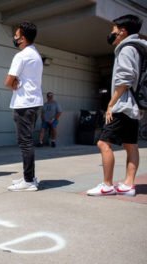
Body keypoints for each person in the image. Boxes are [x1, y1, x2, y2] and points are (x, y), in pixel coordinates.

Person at [87, 15, 146, 197]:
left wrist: (111, 104)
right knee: (131, 145)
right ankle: (128, 185)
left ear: (123, 31)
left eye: (113, 30)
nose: (111, 33)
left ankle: (107, 185)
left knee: (103, 142)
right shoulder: (139, 48)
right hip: (134, 106)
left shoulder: (127, 48)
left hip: (122, 105)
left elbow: (125, 80)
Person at [4, 21, 43, 192]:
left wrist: (13, 83)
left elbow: (8, 81)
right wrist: (15, 82)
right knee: (27, 141)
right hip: (33, 103)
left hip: (24, 104)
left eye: (16, 36)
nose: (15, 38)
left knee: (25, 142)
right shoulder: (36, 55)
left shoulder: (21, 56)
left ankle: (28, 181)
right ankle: (29, 177)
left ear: (23, 38)